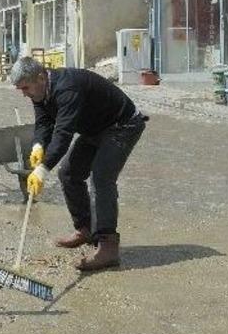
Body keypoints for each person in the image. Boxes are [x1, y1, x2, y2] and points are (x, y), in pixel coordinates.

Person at [10, 57, 146, 271]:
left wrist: (43, 169)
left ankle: (108, 246)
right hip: (95, 128)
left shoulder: (67, 89)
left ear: (40, 77)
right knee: (68, 173)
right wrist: (38, 145)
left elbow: (63, 133)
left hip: (122, 125)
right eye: (20, 89)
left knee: (101, 178)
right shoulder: (40, 91)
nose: (24, 93)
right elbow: (44, 122)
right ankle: (86, 230)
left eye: (25, 88)